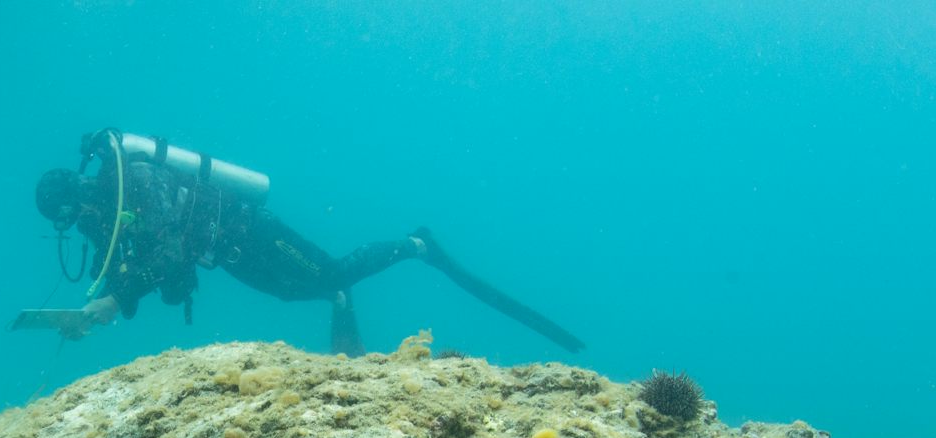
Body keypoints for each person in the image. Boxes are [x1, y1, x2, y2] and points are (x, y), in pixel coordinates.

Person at [33, 130, 583, 356]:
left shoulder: (139, 181)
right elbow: (142, 263)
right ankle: (340, 305)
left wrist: (116, 297)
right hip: (227, 254)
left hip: (250, 229)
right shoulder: (103, 216)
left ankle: (419, 244)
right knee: (297, 295)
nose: (78, 224)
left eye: (73, 214)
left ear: (81, 193)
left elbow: (169, 250)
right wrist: (98, 304)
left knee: (331, 274)